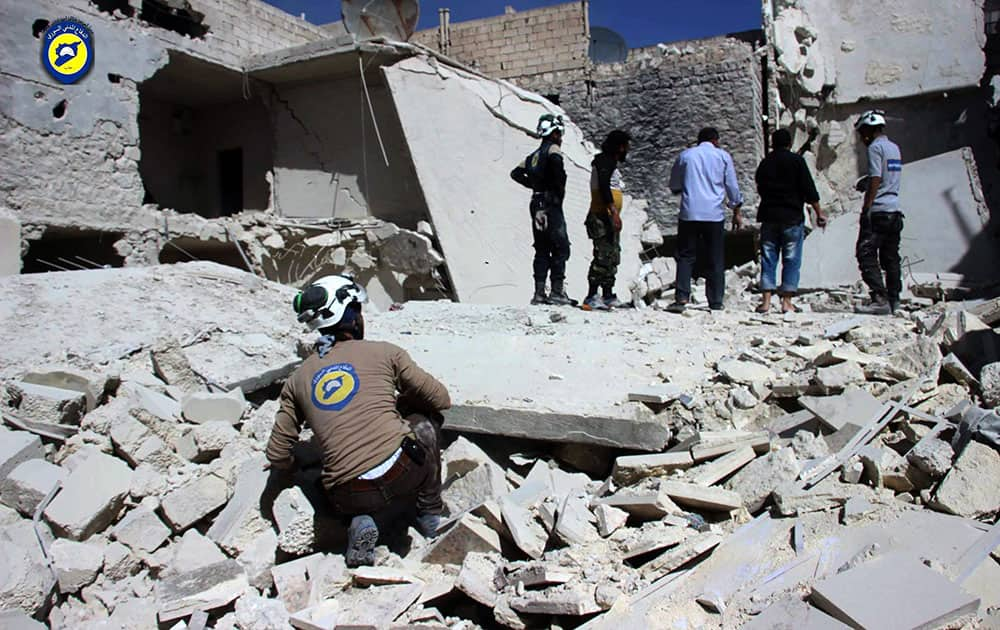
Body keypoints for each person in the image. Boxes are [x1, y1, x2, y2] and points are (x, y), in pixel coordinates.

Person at [265, 275, 451, 567]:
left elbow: (277, 454)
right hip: (403, 471)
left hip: (348, 493)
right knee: (427, 422)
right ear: (351, 316)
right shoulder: (385, 352)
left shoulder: (296, 379)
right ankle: (429, 514)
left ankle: (359, 518)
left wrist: (298, 469)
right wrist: (401, 406)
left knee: (319, 474)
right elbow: (441, 400)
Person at [667, 127, 744, 312]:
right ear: (715, 140)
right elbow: (731, 185)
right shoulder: (723, 156)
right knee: (715, 257)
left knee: (685, 256)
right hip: (714, 214)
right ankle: (715, 300)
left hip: (689, 212)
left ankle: (682, 296)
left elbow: (674, 184)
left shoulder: (686, 156)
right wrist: (736, 206)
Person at [754, 128, 827, 314]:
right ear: (789, 144)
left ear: (773, 143)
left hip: (770, 216)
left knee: (768, 258)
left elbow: (760, 187)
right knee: (791, 259)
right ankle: (787, 302)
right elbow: (809, 189)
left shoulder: (765, 163)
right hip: (792, 216)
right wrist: (819, 213)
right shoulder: (797, 162)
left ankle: (766, 301)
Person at [511, 114, 575, 306]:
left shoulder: (533, 156)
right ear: (554, 133)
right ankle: (556, 292)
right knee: (560, 247)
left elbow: (515, 173)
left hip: (536, 202)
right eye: (559, 133)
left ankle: (539, 293)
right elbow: (559, 177)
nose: (560, 138)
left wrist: (534, 185)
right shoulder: (553, 151)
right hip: (550, 204)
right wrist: (555, 196)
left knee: (541, 248)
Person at [853, 110, 903, 315]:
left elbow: (876, 178)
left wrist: (867, 207)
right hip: (895, 209)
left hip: (879, 211)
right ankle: (894, 299)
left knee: (865, 253)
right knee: (890, 257)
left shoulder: (875, 148)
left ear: (869, 131)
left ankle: (879, 298)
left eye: (863, 134)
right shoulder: (894, 148)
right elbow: (888, 176)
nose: (862, 139)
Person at [583, 130, 631, 311]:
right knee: (602, 255)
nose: (627, 149)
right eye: (626, 145)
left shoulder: (611, 163)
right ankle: (591, 296)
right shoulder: (604, 161)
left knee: (612, 255)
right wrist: (613, 210)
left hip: (609, 218)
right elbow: (603, 185)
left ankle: (608, 294)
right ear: (620, 146)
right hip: (601, 217)